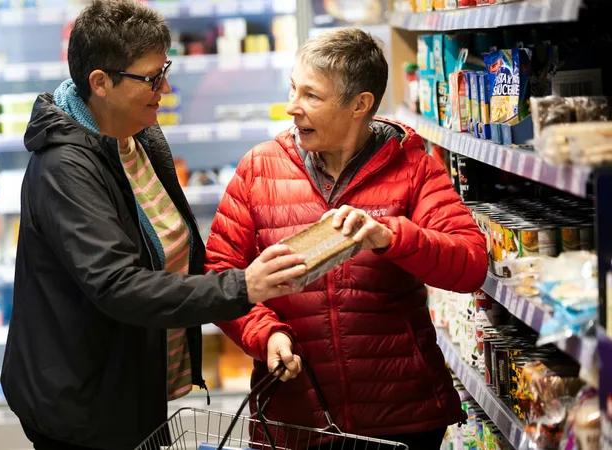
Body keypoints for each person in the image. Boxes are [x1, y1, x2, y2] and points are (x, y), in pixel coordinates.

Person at [0, 1, 308, 449]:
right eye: (150, 77)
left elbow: (176, 253)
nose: (165, 86)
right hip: (84, 409)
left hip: (134, 383)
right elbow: (120, 285)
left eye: (164, 68)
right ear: (100, 83)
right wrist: (244, 287)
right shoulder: (64, 168)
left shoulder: (137, 134)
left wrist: (262, 327)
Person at [205, 28, 488, 449]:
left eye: (311, 96)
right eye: (293, 89)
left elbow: (470, 264)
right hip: (295, 417)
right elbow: (220, 275)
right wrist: (266, 334)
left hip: (402, 417)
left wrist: (390, 237)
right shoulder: (259, 169)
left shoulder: (412, 167)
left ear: (360, 105)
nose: (291, 108)